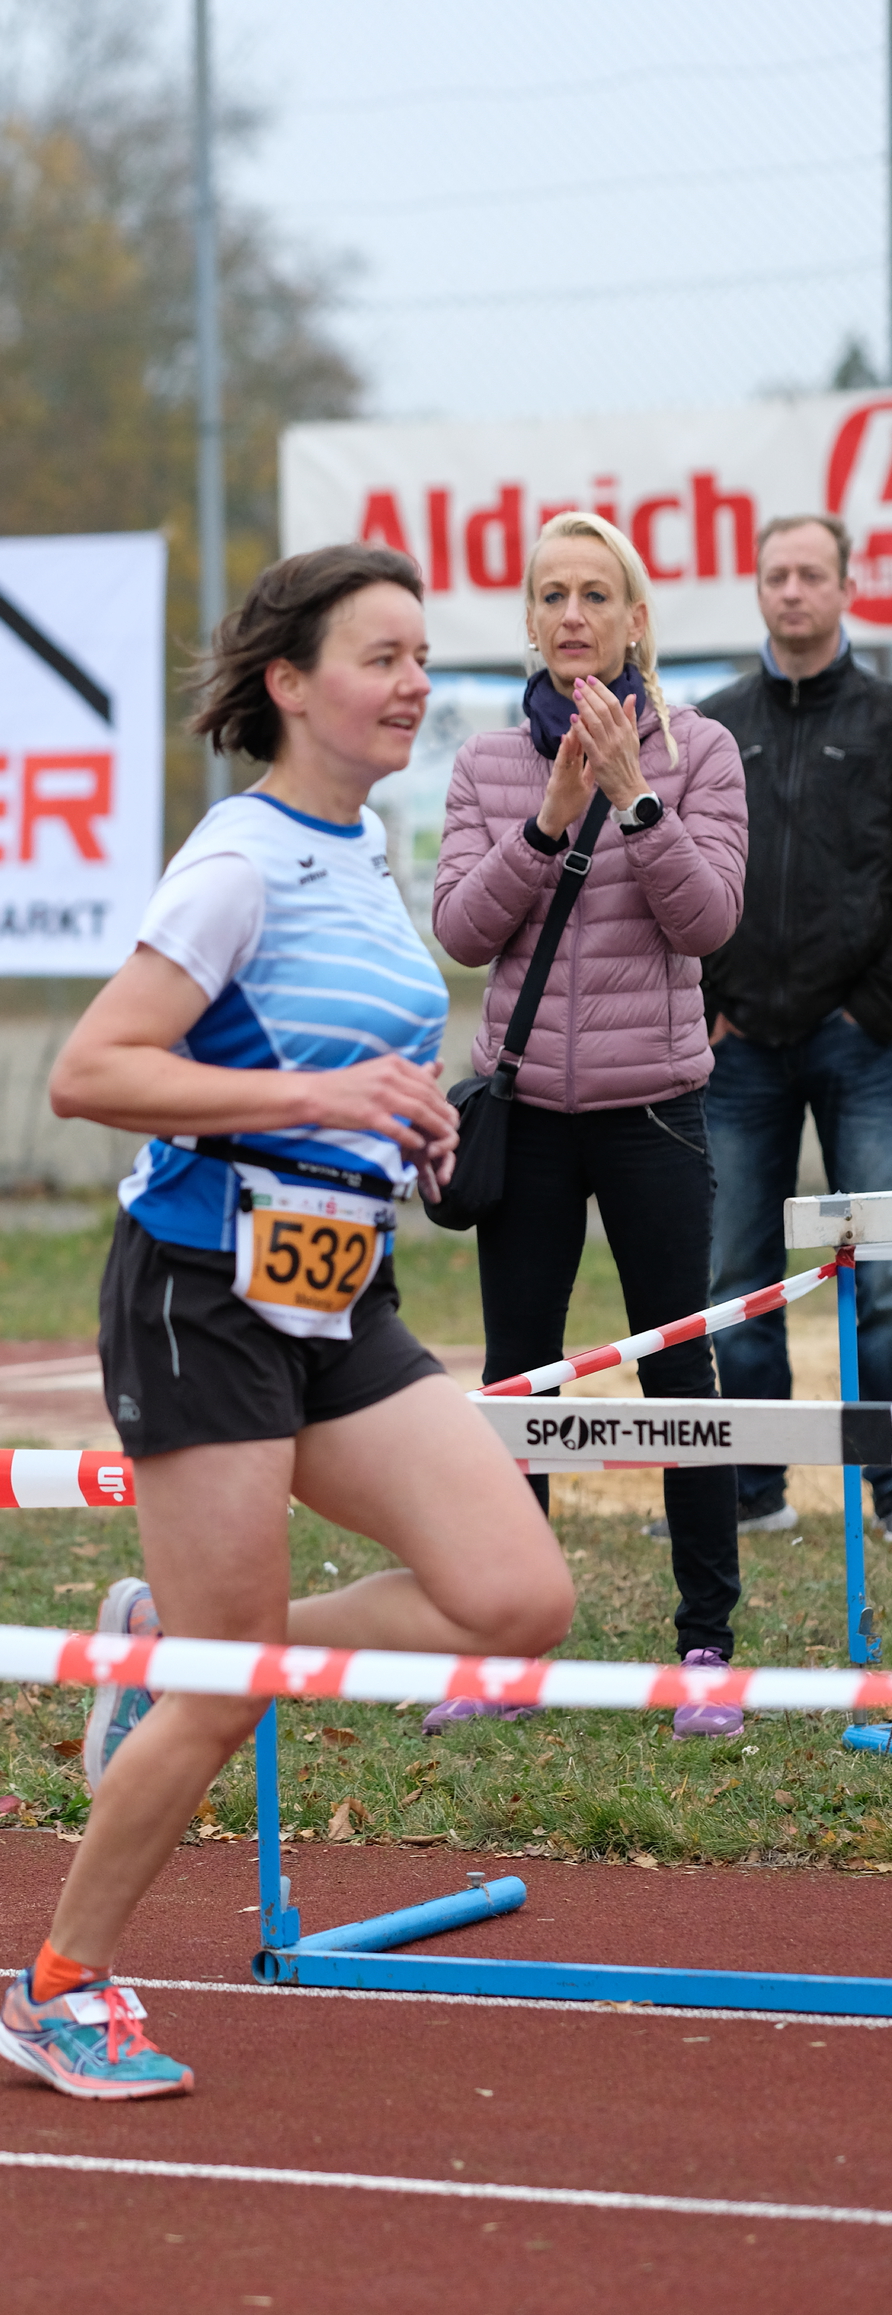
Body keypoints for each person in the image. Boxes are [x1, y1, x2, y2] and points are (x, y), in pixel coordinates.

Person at [0, 543, 574, 2102]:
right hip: (204, 1297)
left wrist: (409, 1129)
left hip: (341, 1291)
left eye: (423, 657)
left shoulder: (363, 849)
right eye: (383, 658)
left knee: (516, 1598)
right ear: (290, 685)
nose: (416, 684)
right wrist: (318, 1098)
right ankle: (57, 1990)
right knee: (228, 1681)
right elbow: (92, 1072)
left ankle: (169, 1655)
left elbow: (337, 1062)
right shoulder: (238, 861)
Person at [432, 512, 748, 1736]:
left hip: (653, 1109)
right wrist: (547, 820)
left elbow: (708, 923)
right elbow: (461, 932)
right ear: (529, 618)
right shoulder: (483, 765)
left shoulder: (700, 750)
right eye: (551, 594)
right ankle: (506, 1654)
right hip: (524, 1118)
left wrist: (632, 799)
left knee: (679, 1371)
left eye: (595, 594)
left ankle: (705, 1648)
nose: (572, 615)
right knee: (520, 1373)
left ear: (634, 620)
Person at [699, 515, 892, 1545]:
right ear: (758, 588)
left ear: (846, 587)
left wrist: (874, 1009)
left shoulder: (884, 719)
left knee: (886, 1281)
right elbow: (675, 869)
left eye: (811, 574)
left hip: (863, 1044)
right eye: (776, 574)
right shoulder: (715, 725)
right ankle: (753, 1492)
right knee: (736, 1277)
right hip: (738, 1049)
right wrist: (708, 1003)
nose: (791, 591)